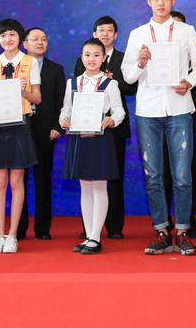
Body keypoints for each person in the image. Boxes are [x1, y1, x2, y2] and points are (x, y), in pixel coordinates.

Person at [122, 0, 196, 256]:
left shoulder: (186, 31)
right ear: (148, 2)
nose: (161, 3)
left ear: (173, 1)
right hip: (148, 111)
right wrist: (140, 62)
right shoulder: (137, 34)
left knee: (182, 176)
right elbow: (127, 76)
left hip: (180, 108)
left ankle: (182, 232)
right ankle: (161, 230)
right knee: (153, 175)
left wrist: (189, 82)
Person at [72, 16, 137, 240]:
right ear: (94, 33)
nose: (105, 34)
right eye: (101, 30)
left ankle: (114, 227)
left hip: (113, 128)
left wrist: (111, 80)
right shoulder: (83, 60)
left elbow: (131, 88)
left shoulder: (123, 58)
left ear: (115, 34)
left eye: (109, 30)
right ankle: (90, 230)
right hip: (86, 127)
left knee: (113, 177)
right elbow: (77, 89)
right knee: (87, 179)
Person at [0, 19, 42, 254]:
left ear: (20, 38)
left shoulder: (30, 62)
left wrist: (23, 90)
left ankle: (13, 236)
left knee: (17, 181)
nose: (8, 39)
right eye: (3, 35)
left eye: (12, 35)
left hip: (20, 124)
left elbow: (37, 98)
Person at [60, 38, 126, 255]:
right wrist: (63, 120)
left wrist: (112, 120)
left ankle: (96, 237)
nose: (92, 59)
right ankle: (89, 235)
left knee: (98, 187)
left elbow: (119, 110)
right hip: (79, 137)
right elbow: (66, 109)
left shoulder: (110, 84)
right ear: (81, 57)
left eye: (97, 55)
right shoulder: (72, 83)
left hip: (100, 138)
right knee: (85, 188)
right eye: (87, 55)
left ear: (104, 58)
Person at [162, 10, 196, 239]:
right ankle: (165, 224)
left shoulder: (193, 56)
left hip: (190, 121)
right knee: (164, 174)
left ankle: (188, 221)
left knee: (189, 174)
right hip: (161, 120)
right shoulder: (157, 55)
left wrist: (188, 66)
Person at [18, 27, 65, 241]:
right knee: (18, 180)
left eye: (44, 39)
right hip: (19, 129)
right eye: (35, 39)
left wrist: (58, 126)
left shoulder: (56, 69)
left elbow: (61, 100)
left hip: (46, 131)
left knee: (43, 181)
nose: (40, 42)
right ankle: (19, 227)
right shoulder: (15, 67)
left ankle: (42, 228)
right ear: (25, 44)